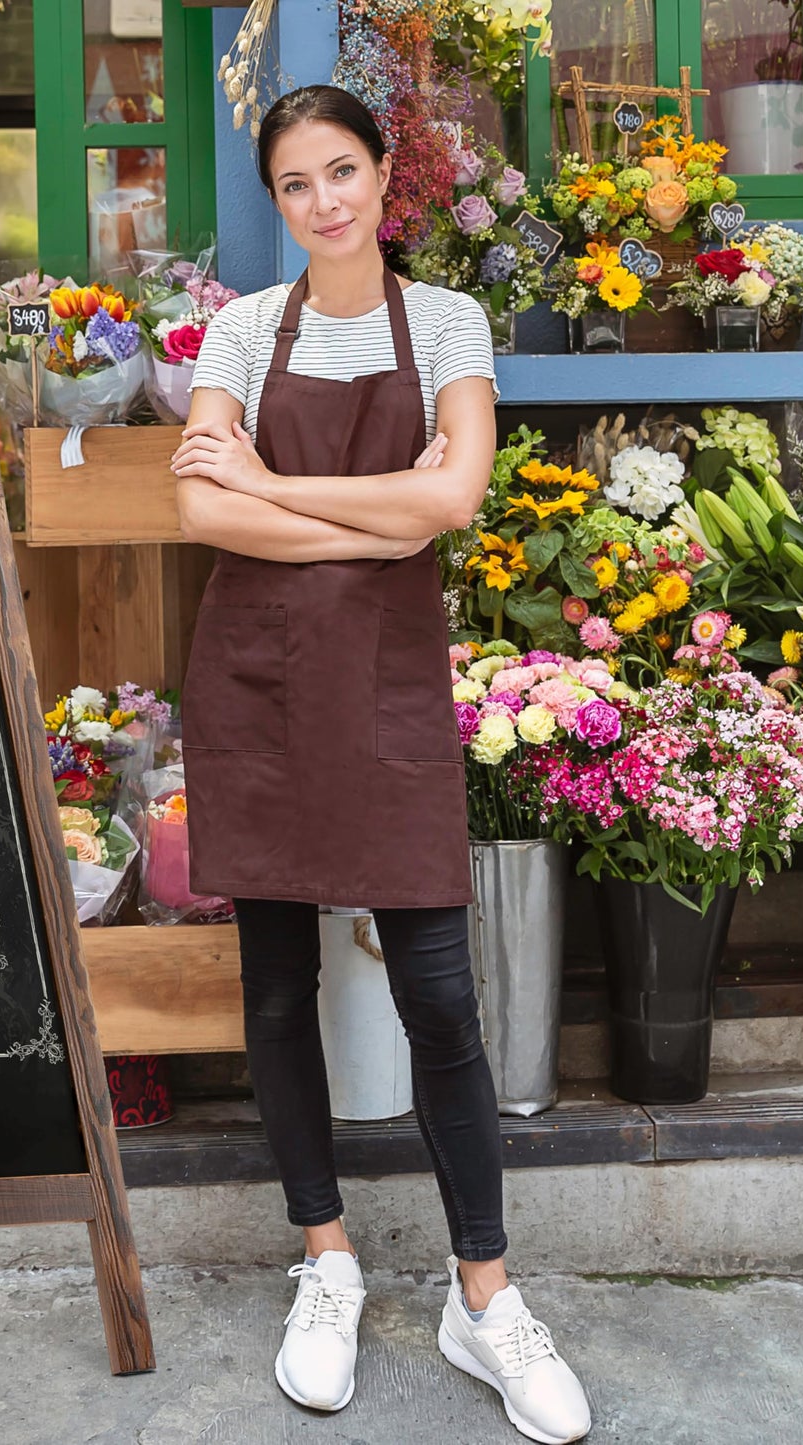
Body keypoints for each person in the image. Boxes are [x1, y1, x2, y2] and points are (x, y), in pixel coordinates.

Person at [171, 84, 591, 1444]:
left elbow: (450, 499)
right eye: (295, 184)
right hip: (257, 684)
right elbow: (195, 504)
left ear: (382, 172)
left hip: (389, 685)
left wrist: (271, 491)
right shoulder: (241, 328)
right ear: (275, 199)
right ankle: (326, 1259)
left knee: (438, 998)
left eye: (340, 172)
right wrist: (370, 514)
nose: (322, 202)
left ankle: (484, 1292)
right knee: (278, 994)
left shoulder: (449, 322)